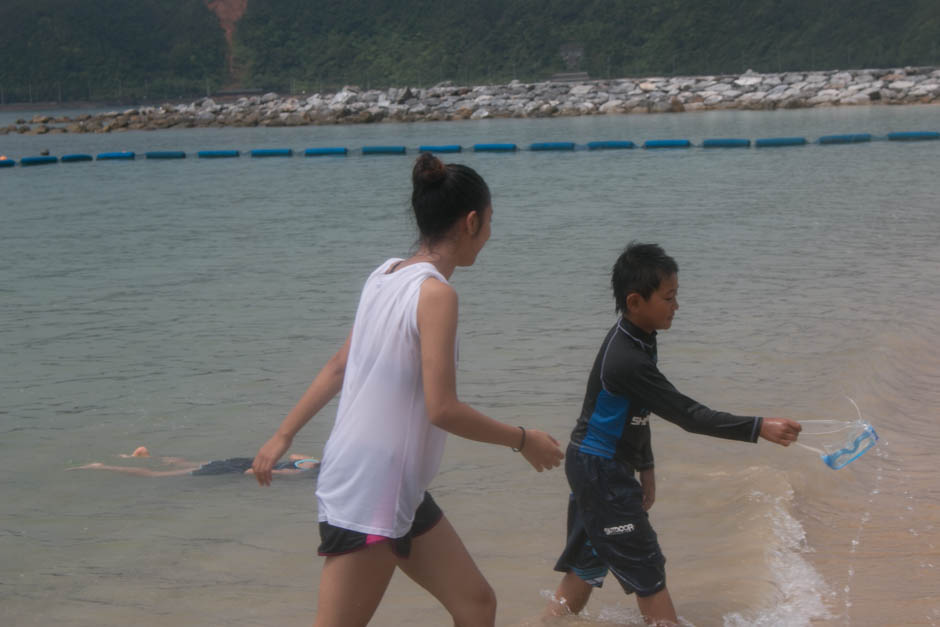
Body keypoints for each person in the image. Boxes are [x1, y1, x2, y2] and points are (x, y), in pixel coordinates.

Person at [251, 153, 564, 627]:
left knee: (476, 604)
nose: (491, 235)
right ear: (472, 221)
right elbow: (443, 409)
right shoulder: (436, 294)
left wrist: (283, 435)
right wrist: (523, 439)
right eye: (491, 223)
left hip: (395, 485)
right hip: (373, 493)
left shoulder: (385, 274)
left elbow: (340, 365)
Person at [544, 242, 802, 626]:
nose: (676, 306)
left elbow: (636, 413)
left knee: (585, 567)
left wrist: (645, 467)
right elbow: (688, 416)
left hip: (595, 466)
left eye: (675, 296)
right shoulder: (627, 358)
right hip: (602, 473)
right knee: (648, 569)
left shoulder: (639, 336)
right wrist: (759, 427)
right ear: (635, 301)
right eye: (668, 298)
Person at [69, 445, 319, 477]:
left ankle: (146, 455)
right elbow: (251, 474)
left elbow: (294, 456)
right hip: (242, 467)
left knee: (186, 461)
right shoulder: (303, 474)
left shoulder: (308, 462)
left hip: (242, 457)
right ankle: (101, 467)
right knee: (156, 477)